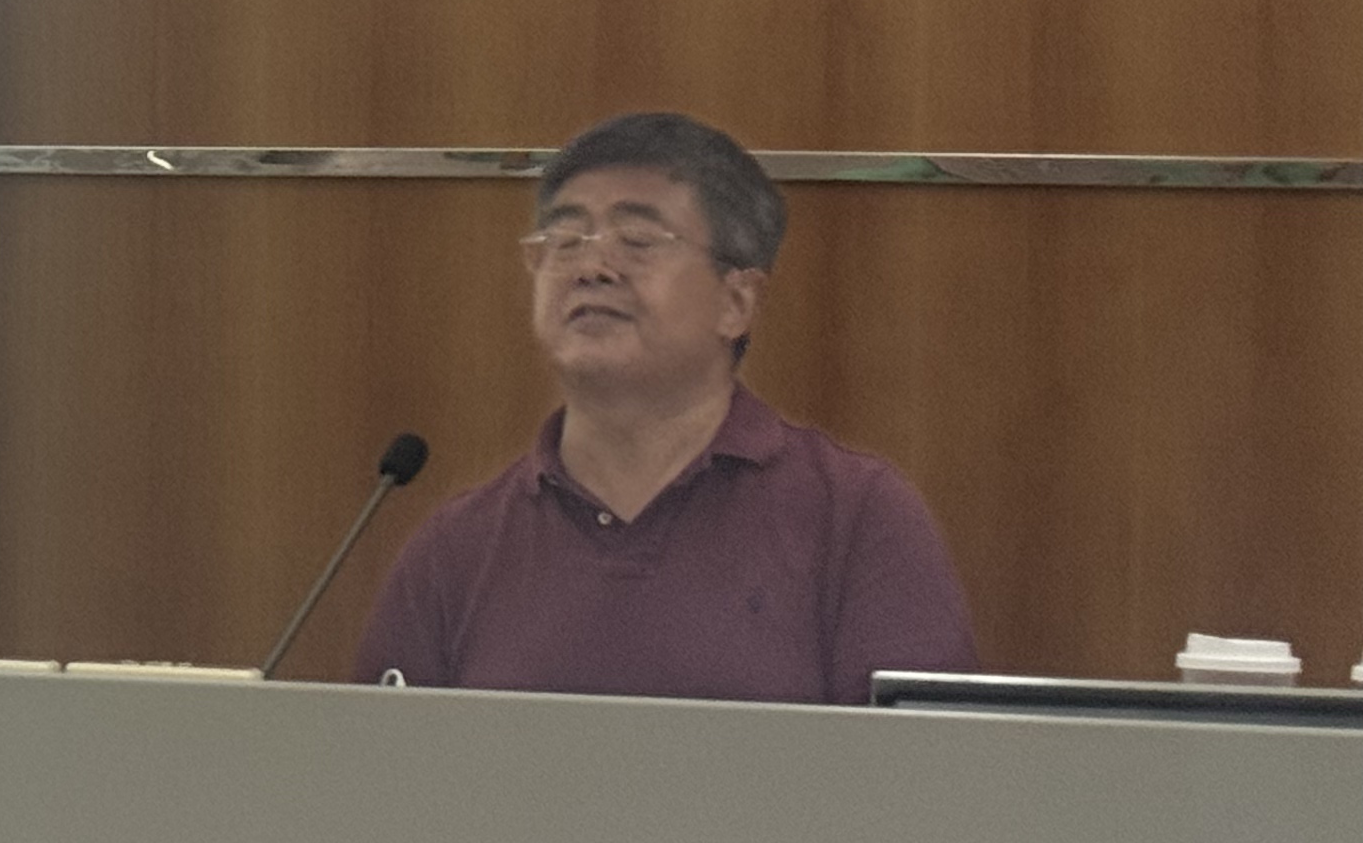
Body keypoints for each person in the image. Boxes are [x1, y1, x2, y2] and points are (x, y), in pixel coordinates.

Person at [351, 110, 976, 704]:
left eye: (638, 240)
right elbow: (378, 768)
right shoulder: (458, 548)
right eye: (564, 240)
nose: (592, 267)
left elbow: (922, 769)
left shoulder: (856, 519)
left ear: (735, 302)